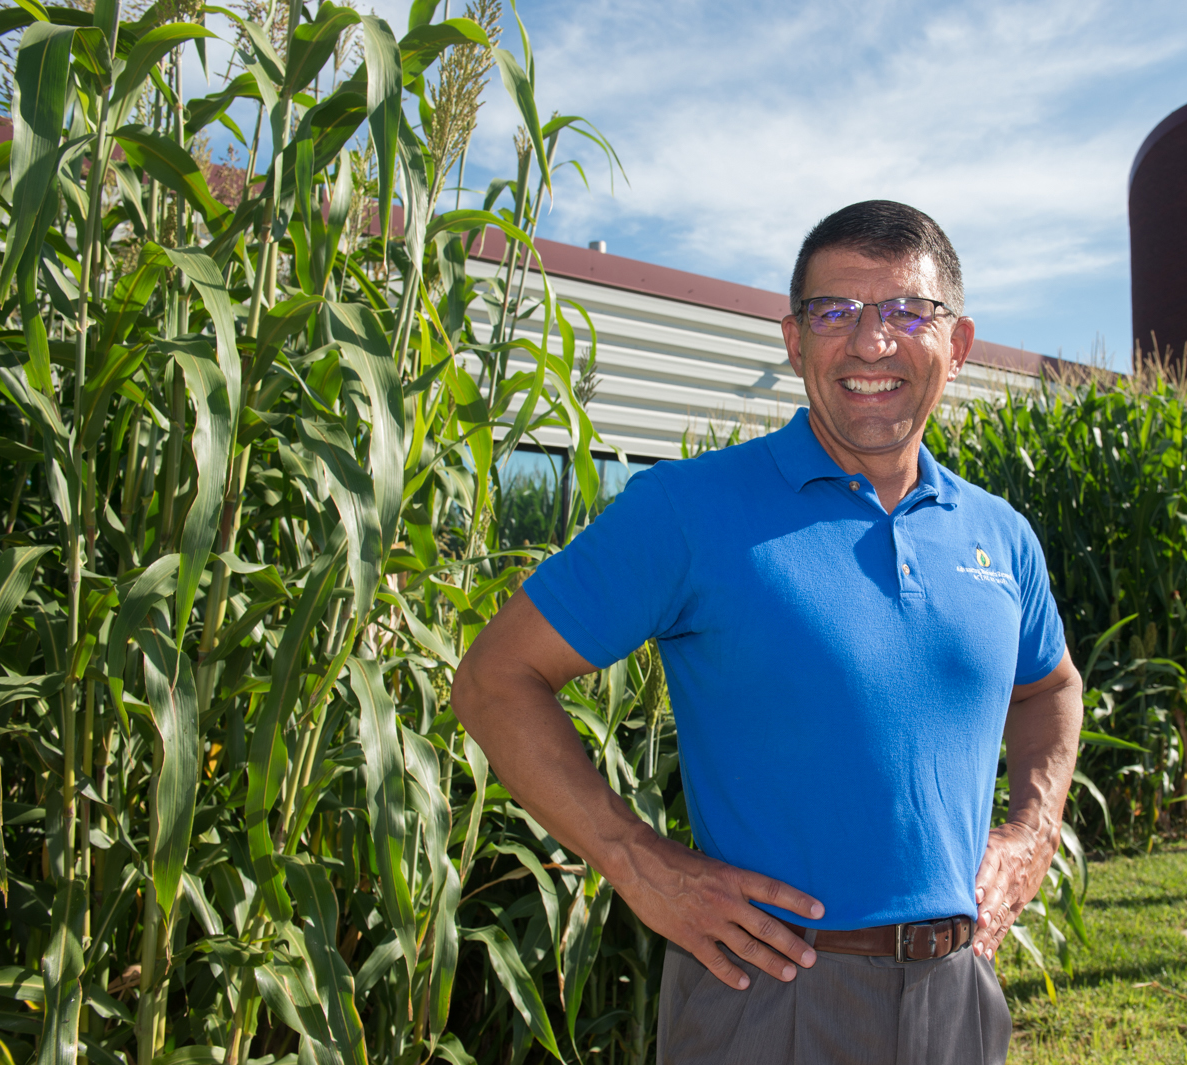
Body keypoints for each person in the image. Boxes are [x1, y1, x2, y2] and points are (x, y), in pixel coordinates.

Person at [452, 200, 1083, 1064]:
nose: (871, 342)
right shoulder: (687, 511)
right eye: (835, 312)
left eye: (908, 311)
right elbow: (495, 678)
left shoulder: (1000, 534)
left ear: (958, 344)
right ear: (794, 341)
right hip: (771, 999)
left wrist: (1032, 830)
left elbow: (1051, 686)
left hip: (958, 996)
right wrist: (639, 862)